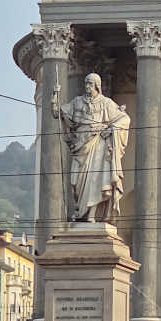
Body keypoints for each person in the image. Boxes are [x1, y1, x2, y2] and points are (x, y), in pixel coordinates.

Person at [53, 73, 130, 224]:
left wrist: (112, 128)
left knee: (95, 180)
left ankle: (91, 215)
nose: (87, 87)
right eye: (86, 83)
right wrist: (55, 96)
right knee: (75, 182)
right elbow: (59, 114)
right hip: (80, 145)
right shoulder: (77, 102)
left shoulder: (106, 103)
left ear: (97, 86)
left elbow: (125, 118)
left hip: (97, 144)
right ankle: (80, 210)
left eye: (90, 84)